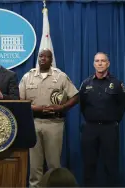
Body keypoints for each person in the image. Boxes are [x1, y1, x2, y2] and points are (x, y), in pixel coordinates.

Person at [19, 49, 79, 187]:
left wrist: (63, 107)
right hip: (33, 123)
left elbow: (76, 96)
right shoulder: (28, 76)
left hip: (54, 123)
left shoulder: (61, 76)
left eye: (46, 57)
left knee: (54, 165)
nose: (43, 59)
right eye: (41, 56)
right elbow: (20, 100)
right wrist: (35, 108)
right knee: (35, 166)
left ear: (51, 60)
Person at [79, 52, 125, 187]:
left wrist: (114, 122)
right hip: (90, 128)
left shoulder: (117, 84)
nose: (100, 63)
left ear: (108, 64)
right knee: (89, 164)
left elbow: (121, 106)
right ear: (93, 64)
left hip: (109, 128)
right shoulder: (86, 83)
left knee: (111, 165)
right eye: (97, 61)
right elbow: (82, 106)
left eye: (103, 61)